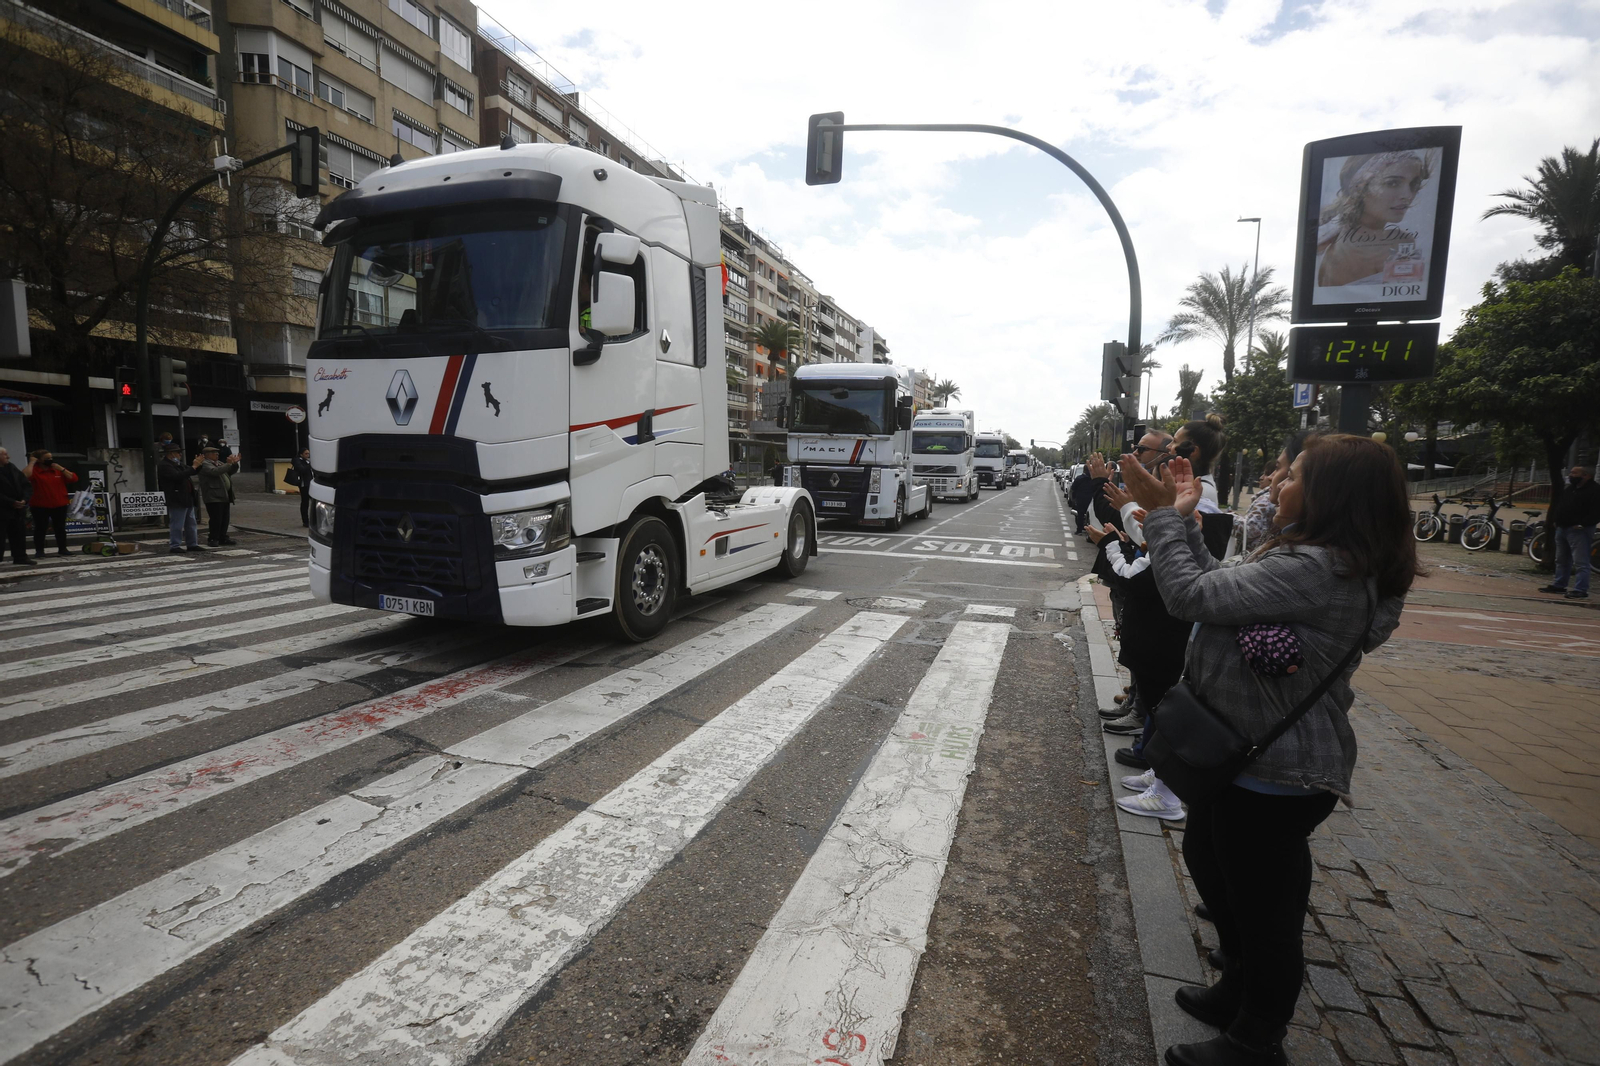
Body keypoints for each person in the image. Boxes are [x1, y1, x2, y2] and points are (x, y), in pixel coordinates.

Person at [1119, 436, 1416, 1066]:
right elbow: (1220, 585)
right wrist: (1177, 518)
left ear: (1333, 497)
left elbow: (1190, 597)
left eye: (1293, 476)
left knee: (1266, 911)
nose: (1276, 485)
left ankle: (1257, 1039)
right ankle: (1236, 989)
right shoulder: (1309, 559)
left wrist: (1169, 519)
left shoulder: (1318, 570)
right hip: (1243, 756)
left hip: (1276, 767)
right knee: (1211, 860)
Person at [1315, 150, 1436, 289]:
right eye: (1393, 183)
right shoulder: (1399, 242)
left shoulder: (1328, 242)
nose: (1407, 195)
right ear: (1359, 188)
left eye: (1414, 185)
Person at [1540, 466, 1599, 601]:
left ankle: (1580, 589)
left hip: (1579, 530)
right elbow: (1561, 505)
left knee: (1580, 561)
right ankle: (1559, 584)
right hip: (1562, 527)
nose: (1571, 475)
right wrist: (1556, 519)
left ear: (1586, 475)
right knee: (1561, 559)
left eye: (1574, 473)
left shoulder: (1594, 490)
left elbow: (1596, 511)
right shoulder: (1570, 489)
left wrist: (1583, 524)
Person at [23, 449, 77, 556]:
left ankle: (62, 549)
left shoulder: (56, 470)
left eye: (51, 458)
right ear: (39, 460)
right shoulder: (35, 471)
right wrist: (32, 462)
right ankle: (39, 551)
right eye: (47, 459)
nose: (50, 460)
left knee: (60, 528)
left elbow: (73, 478)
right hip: (40, 505)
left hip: (59, 504)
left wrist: (61, 469)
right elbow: (24, 476)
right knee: (40, 528)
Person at [157, 442, 204, 554]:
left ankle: (192, 544)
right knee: (177, 524)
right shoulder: (165, 465)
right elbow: (177, 476)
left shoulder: (178, 464)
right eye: (178, 452)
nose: (180, 454)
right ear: (171, 453)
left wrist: (198, 465)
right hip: (176, 498)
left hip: (187, 497)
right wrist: (194, 466)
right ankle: (175, 545)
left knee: (191, 523)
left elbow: (190, 471)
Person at [197, 445, 240, 546]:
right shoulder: (204, 464)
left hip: (224, 495)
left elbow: (229, 471)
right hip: (213, 496)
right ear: (207, 455)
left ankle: (223, 537)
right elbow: (215, 472)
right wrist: (228, 464)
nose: (217, 455)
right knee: (216, 519)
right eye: (214, 453)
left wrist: (234, 464)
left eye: (217, 453)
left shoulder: (219, 463)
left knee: (225, 519)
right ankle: (213, 538)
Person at [0, 447, 34, 566]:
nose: (8, 457)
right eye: (5, 455)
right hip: (3, 509)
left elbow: (25, 484)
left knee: (18, 534)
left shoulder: (11, 468)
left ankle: (20, 557)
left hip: (17, 509)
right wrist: (11, 502)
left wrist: (24, 499)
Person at [289, 447, 314, 527]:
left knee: (314, 502)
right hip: (304, 484)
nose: (307, 455)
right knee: (305, 502)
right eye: (306, 453)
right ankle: (306, 521)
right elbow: (302, 470)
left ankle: (313, 520)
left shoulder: (306, 461)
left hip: (310, 483)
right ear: (301, 454)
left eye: (308, 454)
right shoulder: (297, 460)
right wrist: (310, 465)